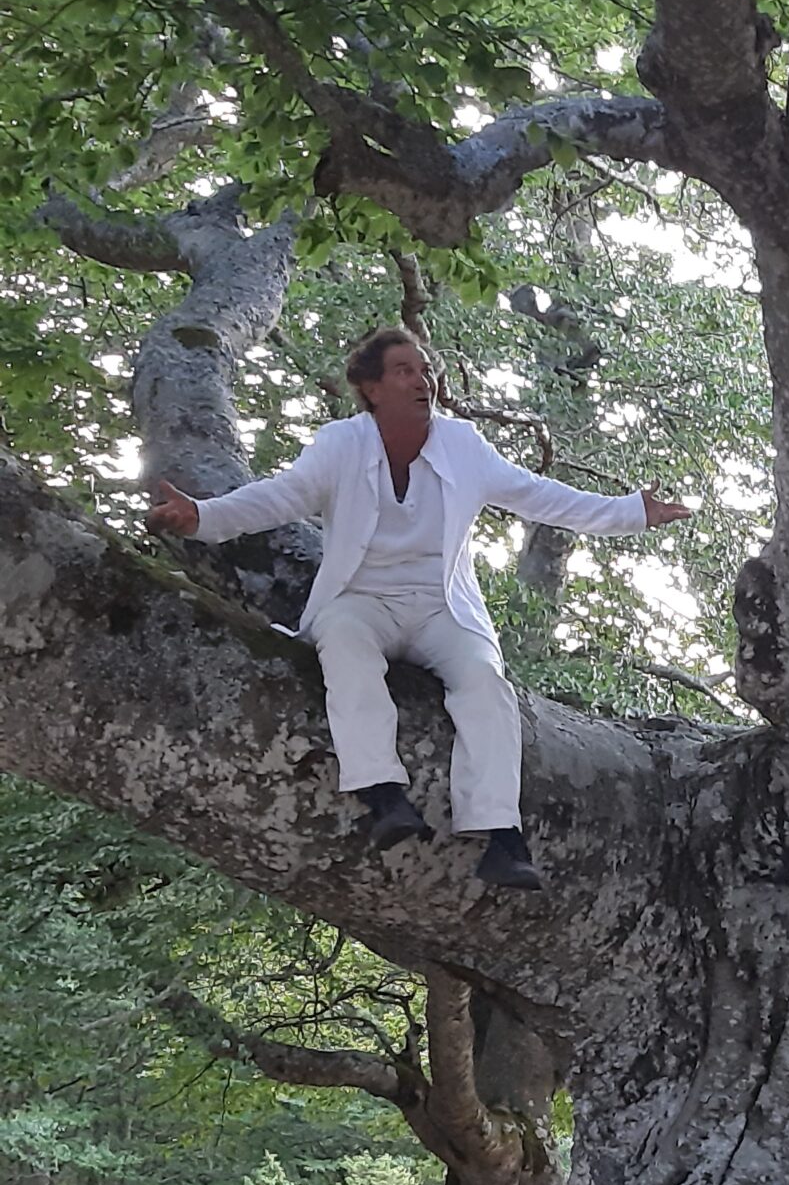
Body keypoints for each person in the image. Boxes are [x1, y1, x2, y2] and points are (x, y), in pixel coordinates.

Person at [147, 326, 690, 892]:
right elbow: (279, 497)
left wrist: (630, 512)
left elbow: (542, 496)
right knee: (346, 649)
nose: (422, 380)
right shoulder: (340, 445)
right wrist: (203, 517)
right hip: (361, 599)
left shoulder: (464, 446)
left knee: (486, 684)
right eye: (405, 369)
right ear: (371, 387)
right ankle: (383, 796)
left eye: (426, 369)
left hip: (441, 607)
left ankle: (501, 835)